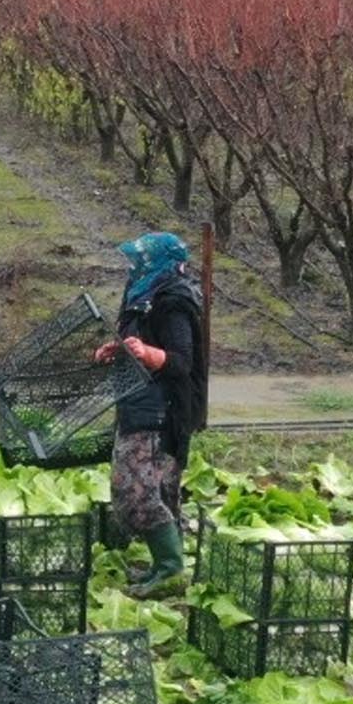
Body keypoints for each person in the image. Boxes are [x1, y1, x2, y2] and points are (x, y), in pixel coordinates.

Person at [95, 231, 208, 597]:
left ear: (157, 262)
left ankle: (171, 568)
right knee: (156, 489)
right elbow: (141, 344)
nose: (133, 266)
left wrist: (147, 354)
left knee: (134, 491)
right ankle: (165, 567)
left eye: (140, 260)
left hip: (161, 410)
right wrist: (120, 350)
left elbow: (180, 361)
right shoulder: (142, 296)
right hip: (139, 403)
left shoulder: (172, 301)